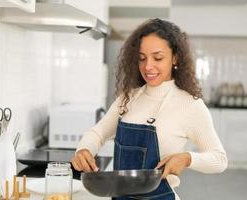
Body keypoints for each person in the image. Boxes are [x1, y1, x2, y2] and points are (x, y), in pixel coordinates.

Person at [71, 18, 228, 200]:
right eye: (142, 58)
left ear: (175, 58)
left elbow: (219, 160)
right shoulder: (128, 98)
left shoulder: (190, 105)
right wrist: (84, 150)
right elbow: (98, 133)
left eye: (158, 57)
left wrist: (187, 159)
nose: (148, 66)